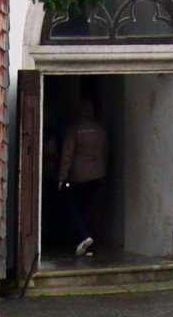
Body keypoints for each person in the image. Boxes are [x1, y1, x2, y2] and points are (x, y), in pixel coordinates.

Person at [58, 96, 108, 257]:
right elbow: (105, 152)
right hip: (98, 175)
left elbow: (67, 155)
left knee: (75, 208)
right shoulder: (100, 130)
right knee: (91, 209)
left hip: (79, 176)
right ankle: (90, 244)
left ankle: (84, 236)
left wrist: (62, 177)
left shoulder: (75, 130)